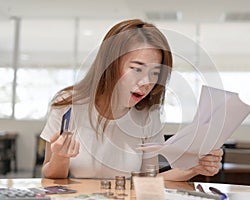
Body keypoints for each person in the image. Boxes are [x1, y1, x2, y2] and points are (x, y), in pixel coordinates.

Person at [41, 19, 223, 181]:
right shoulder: (67, 104)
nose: (146, 83)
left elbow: (149, 180)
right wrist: (61, 156)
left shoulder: (148, 115)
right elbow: (51, 176)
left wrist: (195, 167)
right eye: (137, 69)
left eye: (154, 73)